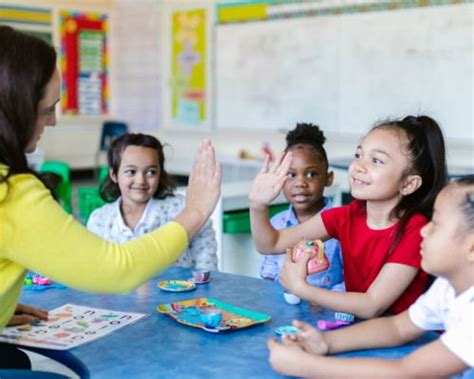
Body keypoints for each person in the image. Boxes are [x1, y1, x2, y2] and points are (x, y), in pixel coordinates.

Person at [0, 25, 221, 369]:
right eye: (47, 109)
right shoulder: (11, 193)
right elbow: (117, 270)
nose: (54, 122)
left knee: (17, 362)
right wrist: (196, 211)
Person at [267, 176, 474, 378]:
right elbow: (398, 327)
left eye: (436, 223)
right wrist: (326, 341)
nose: (424, 231)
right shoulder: (447, 288)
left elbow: (406, 372)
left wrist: (306, 366)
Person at [249, 115, 448, 318]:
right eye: (358, 154)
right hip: (360, 330)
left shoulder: (416, 231)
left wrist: (302, 289)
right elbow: (271, 244)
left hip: (403, 342)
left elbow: (372, 304)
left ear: (408, 184)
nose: (359, 166)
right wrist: (257, 205)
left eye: (376, 160)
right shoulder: (347, 216)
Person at [87, 133, 218, 272]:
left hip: (182, 292)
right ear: (114, 175)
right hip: (119, 293)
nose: (141, 180)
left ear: (160, 173)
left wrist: (205, 283)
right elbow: (95, 269)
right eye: (131, 171)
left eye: (151, 172)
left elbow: (205, 249)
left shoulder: (182, 209)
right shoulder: (99, 220)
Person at [259, 123, 344, 294]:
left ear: (328, 178)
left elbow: (349, 281)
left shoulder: (342, 225)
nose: (300, 183)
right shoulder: (276, 224)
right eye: (291, 175)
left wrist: (324, 301)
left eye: (311, 174)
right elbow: (267, 276)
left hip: (327, 312)